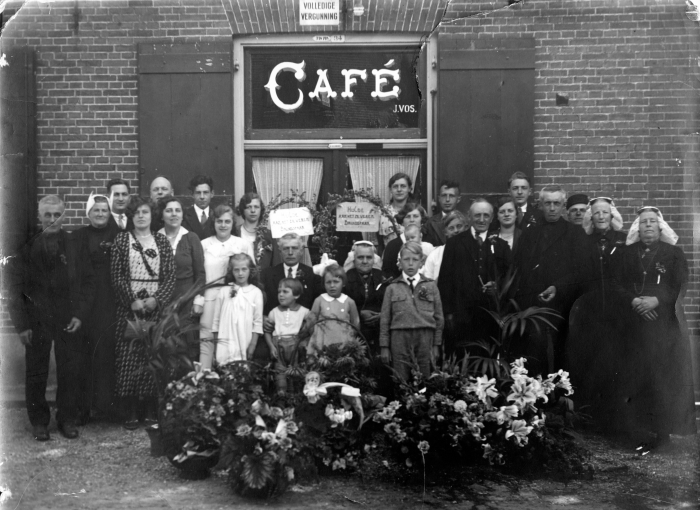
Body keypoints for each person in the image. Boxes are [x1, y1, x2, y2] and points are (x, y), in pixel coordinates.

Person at [6, 195, 95, 441]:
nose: (53, 219)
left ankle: (66, 419)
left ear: (63, 216)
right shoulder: (26, 248)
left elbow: (88, 282)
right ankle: (39, 422)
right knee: (36, 372)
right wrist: (21, 325)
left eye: (57, 215)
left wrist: (79, 314)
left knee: (70, 370)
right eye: (48, 215)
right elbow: (15, 289)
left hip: (68, 318)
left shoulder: (75, 244)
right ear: (39, 216)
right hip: (37, 320)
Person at [610, 207, 696, 446]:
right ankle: (636, 430)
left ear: (660, 227)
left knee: (662, 378)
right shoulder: (626, 254)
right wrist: (634, 301)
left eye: (652, 222)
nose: (648, 226)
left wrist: (656, 301)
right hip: (633, 326)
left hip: (662, 326)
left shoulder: (674, 253)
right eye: (643, 222)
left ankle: (662, 432)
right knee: (634, 376)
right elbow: (616, 283)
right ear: (638, 228)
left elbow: (680, 284)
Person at [112, 196, 175, 430]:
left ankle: (150, 408)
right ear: (131, 216)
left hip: (154, 308)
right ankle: (129, 409)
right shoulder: (122, 240)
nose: (140, 216)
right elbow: (117, 276)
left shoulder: (162, 241)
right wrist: (131, 301)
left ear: (152, 215)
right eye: (136, 212)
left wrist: (156, 300)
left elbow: (170, 276)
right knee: (128, 356)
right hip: (129, 309)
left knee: (152, 354)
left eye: (145, 212)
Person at [566, 197, 627, 432]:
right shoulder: (582, 241)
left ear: (612, 216)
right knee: (590, 360)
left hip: (617, 310)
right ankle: (592, 418)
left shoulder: (623, 241)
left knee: (616, 360)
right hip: (590, 310)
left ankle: (616, 419)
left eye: (605, 213)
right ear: (591, 217)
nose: (601, 217)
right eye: (597, 213)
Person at [511, 185, 586, 375]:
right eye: (547, 203)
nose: (552, 208)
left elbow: (581, 271)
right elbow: (520, 268)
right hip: (533, 304)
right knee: (534, 354)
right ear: (541, 205)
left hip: (562, 304)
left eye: (556, 203)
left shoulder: (575, 233)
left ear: (563, 206)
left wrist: (557, 287)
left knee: (561, 354)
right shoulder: (529, 234)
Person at [437, 199, 510, 358]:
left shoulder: (500, 246)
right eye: (477, 215)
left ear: (492, 218)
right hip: (461, 318)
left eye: (486, 215)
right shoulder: (455, 243)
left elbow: (509, 277)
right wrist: (448, 313)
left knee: (487, 365)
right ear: (469, 217)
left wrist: (497, 286)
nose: (482, 220)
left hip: (489, 318)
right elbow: (445, 280)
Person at [74, 193, 121, 423]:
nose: (101, 214)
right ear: (89, 213)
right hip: (85, 302)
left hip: (110, 302)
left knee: (106, 354)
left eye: (104, 210)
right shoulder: (78, 236)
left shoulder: (118, 235)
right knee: (84, 355)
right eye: (96, 210)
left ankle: (107, 408)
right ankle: (83, 409)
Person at [199, 205, 255, 369]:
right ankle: (206, 381)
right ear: (213, 223)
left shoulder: (242, 244)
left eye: (227, 221)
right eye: (219, 221)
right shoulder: (204, 244)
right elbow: (199, 275)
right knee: (207, 340)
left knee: (234, 340)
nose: (223, 225)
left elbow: (252, 273)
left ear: (233, 223)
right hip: (211, 297)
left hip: (236, 296)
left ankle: (236, 382)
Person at [379, 242, 444, 382]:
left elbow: (439, 318)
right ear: (400, 262)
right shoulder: (392, 288)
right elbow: (385, 319)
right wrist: (384, 346)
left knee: (425, 378)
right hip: (399, 337)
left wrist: (436, 345)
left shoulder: (431, 286)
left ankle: (423, 403)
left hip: (425, 336)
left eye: (414, 260)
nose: (410, 264)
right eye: (406, 259)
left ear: (421, 262)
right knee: (400, 379)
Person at [258, 233, 323, 363]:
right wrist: (263, 318)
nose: (290, 252)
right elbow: (260, 302)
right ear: (280, 251)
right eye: (286, 248)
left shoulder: (311, 275)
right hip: (275, 336)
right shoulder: (267, 274)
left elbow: (317, 306)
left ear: (301, 251)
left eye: (294, 248)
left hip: (303, 336)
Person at [158, 197, 206, 360]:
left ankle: (187, 385)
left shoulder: (191, 238)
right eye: (169, 210)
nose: (173, 214)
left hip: (187, 301)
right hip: (162, 301)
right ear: (162, 214)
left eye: (177, 210)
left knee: (187, 350)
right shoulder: (155, 238)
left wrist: (198, 301)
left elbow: (200, 273)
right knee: (164, 347)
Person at [211, 253, 264, 364]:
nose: (240, 273)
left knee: (242, 371)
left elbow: (258, 322)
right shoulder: (224, 291)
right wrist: (216, 347)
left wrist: (252, 346)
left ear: (250, 270)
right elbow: (216, 322)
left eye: (244, 269)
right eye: (236, 270)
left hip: (245, 338)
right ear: (231, 271)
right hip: (225, 339)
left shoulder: (255, 292)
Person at [265, 278, 310, 393]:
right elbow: (267, 331)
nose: (280, 295)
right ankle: (281, 401)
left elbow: (310, 329)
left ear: (296, 295)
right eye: (279, 292)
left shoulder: (304, 312)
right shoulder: (274, 312)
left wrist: (304, 343)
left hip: (295, 347)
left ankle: (295, 402)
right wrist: (271, 346)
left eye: (285, 292)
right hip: (278, 346)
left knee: (296, 374)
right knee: (280, 375)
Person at [306, 264, 361, 357]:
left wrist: (349, 337)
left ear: (343, 283)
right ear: (324, 284)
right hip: (322, 342)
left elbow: (356, 323)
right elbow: (311, 322)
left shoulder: (349, 302)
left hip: (343, 342)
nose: (332, 285)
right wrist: (317, 336)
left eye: (336, 282)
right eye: (328, 282)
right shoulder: (319, 300)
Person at [344, 241, 388, 351]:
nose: (365, 261)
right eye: (360, 257)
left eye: (369, 257)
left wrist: (381, 315)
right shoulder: (345, 279)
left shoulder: (383, 278)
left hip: (379, 334)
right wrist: (359, 313)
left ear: (374, 259)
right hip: (353, 334)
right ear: (354, 258)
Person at [382, 202, 433, 279]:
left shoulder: (429, 241)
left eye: (415, 216)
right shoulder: (392, 246)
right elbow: (388, 273)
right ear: (402, 221)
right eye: (408, 217)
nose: (412, 220)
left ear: (422, 220)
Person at [234, 191, 275, 269]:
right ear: (243, 209)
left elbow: (275, 265)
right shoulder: (234, 232)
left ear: (261, 209)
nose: (253, 210)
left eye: (256, 207)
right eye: (249, 207)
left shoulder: (269, 236)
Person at [423, 211, 467, 280]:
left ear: (466, 228)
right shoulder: (435, 255)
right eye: (451, 228)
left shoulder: (474, 251)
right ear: (445, 232)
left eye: (459, 226)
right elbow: (428, 283)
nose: (456, 231)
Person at [378, 172, 413, 248]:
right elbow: (379, 240)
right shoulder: (383, 212)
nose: (399, 189)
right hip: (389, 256)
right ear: (390, 189)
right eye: (395, 186)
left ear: (409, 189)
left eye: (403, 186)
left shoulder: (416, 211)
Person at [423, 180, 461, 247]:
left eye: (451, 196)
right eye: (444, 195)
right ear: (439, 198)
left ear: (458, 199)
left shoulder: (466, 222)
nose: (447, 199)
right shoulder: (430, 224)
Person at [182, 175, 216, 240]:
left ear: (212, 193)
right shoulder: (184, 216)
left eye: (205, 192)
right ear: (192, 194)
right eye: (198, 193)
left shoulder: (216, 215)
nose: (202, 197)